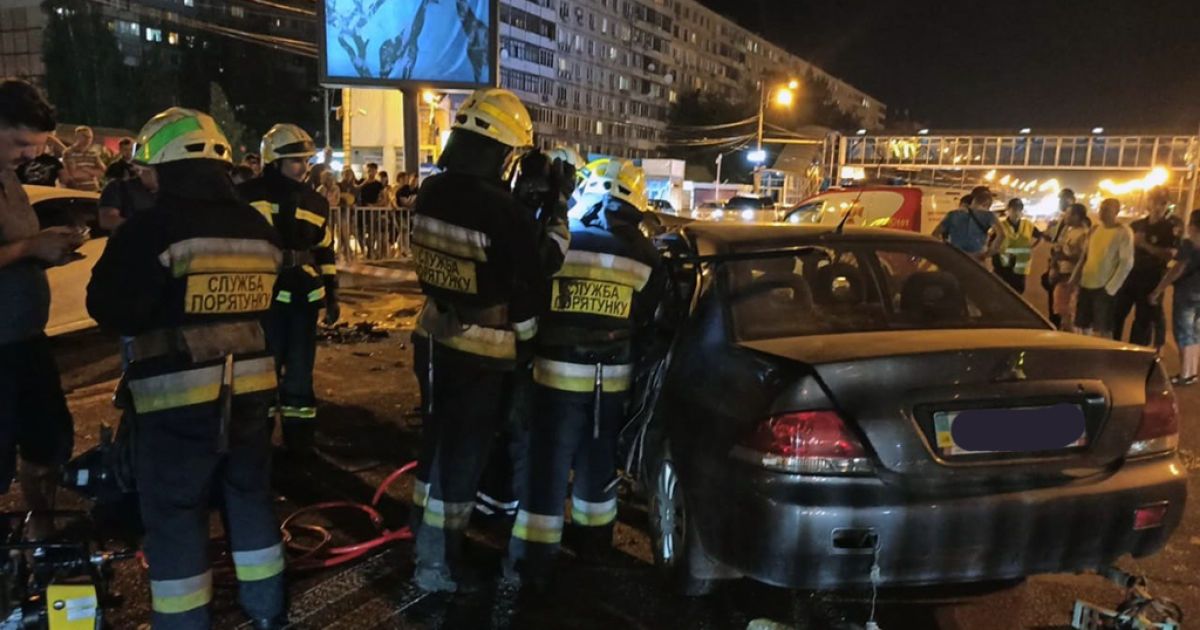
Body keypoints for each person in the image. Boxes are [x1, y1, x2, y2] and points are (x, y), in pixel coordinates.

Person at [86, 107, 286, 629]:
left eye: (147, 171)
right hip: (252, 393)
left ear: (165, 168)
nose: (145, 180)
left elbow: (111, 310)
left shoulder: (151, 229)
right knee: (249, 498)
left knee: (175, 516)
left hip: (174, 402)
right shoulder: (258, 227)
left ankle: (183, 622)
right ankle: (267, 610)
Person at [408, 87, 571, 594]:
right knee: (462, 459)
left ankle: (423, 542)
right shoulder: (503, 212)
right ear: (502, 152)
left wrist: (519, 205)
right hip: (482, 351)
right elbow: (538, 266)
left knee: (435, 446)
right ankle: (436, 566)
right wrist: (557, 207)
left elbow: (482, 248)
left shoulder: (431, 193)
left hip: (433, 333)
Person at [504, 158, 664, 590]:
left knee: (547, 466)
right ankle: (594, 547)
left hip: (553, 376)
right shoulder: (647, 255)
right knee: (598, 466)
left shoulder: (563, 239)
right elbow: (650, 322)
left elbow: (528, 293)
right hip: (610, 383)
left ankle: (534, 561)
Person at [0, 79, 84, 540]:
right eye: (20, 143)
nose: (29, 155)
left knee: (47, 442)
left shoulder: (9, 179)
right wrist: (31, 246)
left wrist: (48, 249)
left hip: (27, 338)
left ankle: (41, 529)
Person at [238, 124, 339, 453]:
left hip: (304, 297)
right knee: (262, 372)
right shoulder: (249, 195)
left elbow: (325, 249)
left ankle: (299, 443)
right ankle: (257, 440)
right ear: (274, 160)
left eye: (306, 160)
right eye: (296, 160)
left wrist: (332, 294)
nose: (304, 166)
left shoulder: (316, 201)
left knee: (299, 371)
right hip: (261, 298)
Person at [1113, 188, 1181, 348]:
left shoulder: (1171, 228)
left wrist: (1144, 244)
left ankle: (1136, 355)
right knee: (1116, 314)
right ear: (1148, 203)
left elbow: (1169, 255)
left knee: (1143, 321)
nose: (1158, 206)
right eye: (1155, 202)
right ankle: (1113, 347)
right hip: (1129, 277)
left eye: (1163, 203)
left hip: (1152, 279)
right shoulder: (1136, 225)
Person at [1070, 198, 1134, 338]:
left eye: (1107, 209)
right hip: (1086, 284)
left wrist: (1111, 288)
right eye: (1101, 208)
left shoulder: (1123, 233)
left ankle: (1104, 357)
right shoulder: (1095, 230)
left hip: (1104, 288)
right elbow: (1085, 257)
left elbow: (1126, 263)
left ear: (1116, 211)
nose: (1102, 211)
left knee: (1103, 328)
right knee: (1082, 325)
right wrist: (1074, 278)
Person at [1151, 210, 1200, 385]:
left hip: (1187, 293)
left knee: (1184, 333)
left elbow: (1178, 268)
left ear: (1192, 225)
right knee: (1195, 333)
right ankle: (1192, 372)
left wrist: (1158, 289)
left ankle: (1185, 374)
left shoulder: (1189, 244)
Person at [1049, 203, 1091, 332]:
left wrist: (1065, 257)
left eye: (1068, 214)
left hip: (1072, 277)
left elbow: (1084, 258)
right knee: (1061, 310)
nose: (1065, 216)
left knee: (1069, 312)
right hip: (1062, 274)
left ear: (1077, 216)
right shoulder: (1068, 230)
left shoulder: (1084, 234)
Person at [988, 198, 1044, 293]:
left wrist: (1032, 249)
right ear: (1008, 210)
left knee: (1018, 291)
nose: (1016, 212)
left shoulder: (1028, 225)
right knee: (1000, 290)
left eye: (1019, 209)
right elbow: (991, 242)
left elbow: (1041, 237)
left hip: (1020, 264)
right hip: (1002, 264)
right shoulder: (1001, 225)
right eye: (1014, 209)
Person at [932, 186, 997, 260]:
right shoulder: (987, 216)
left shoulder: (954, 214)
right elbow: (1002, 236)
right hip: (976, 260)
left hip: (955, 258)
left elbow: (935, 234)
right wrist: (987, 254)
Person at [1044, 188, 1078, 327]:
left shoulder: (1077, 225)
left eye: (1063, 199)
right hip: (1057, 265)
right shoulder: (1060, 220)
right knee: (1055, 305)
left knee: (1065, 308)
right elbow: (1054, 241)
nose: (1060, 202)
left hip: (1066, 269)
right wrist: (1049, 231)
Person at [98, 159, 158, 231]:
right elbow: (107, 220)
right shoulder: (119, 187)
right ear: (140, 170)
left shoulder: (170, 192)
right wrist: (145, 227)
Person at [61, 125, 108, 192]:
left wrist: (87, 169)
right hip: (77, 191)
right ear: (77, 137)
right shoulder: (69, 153)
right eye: (85, 136)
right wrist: (93, 173)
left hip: (93, 190)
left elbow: (103, 172)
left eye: (90, 137)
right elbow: (74, 174)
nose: (88, 139)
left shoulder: (93, 154)